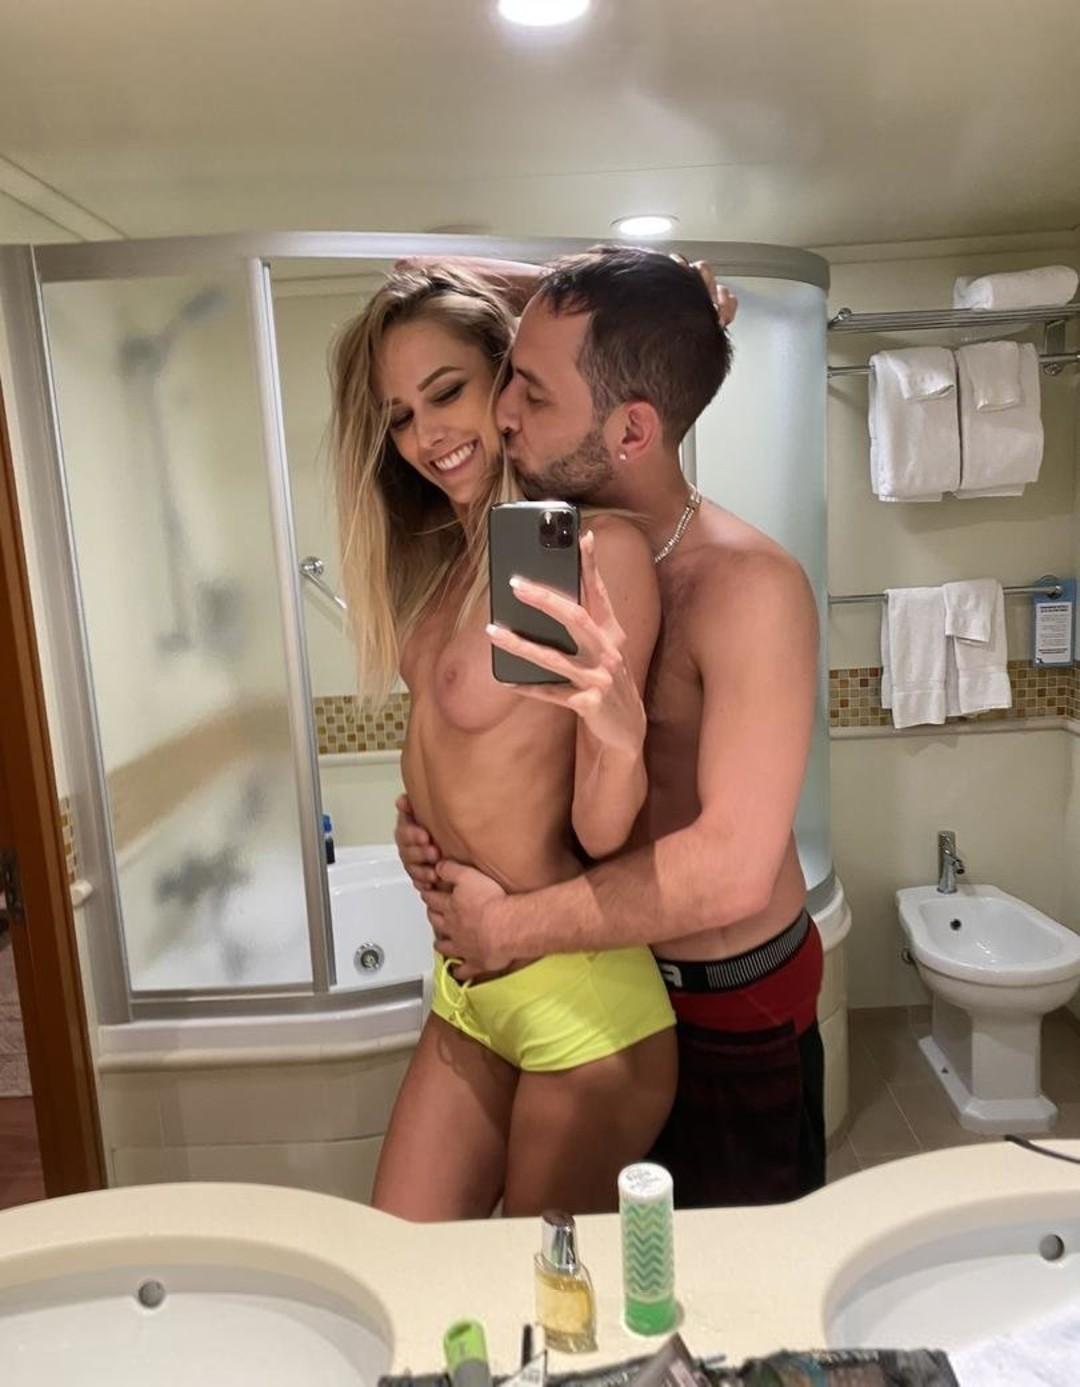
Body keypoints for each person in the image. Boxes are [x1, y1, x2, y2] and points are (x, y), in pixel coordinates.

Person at [403, 246, 825, 1208]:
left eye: (534, 393)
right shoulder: (554, 549)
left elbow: (730, 866)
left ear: (633, 429)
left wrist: (505, 926)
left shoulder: (747, 587)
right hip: (591, 981)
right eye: (510, 376)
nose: (502, 412)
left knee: (714, 1291)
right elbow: (415, 267)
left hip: (723, 1005)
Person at [331, 264, 677, 1221]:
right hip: (467, 988)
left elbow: (599, 833)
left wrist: (620, 740)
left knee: (539, 1299)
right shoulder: (445, 571)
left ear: (507, 382)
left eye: (447, 392)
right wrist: (420, 831)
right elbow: (482, 764)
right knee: (404, 1270)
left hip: (580, 1006)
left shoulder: (587, 554)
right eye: (401, 417)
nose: (427, 435)